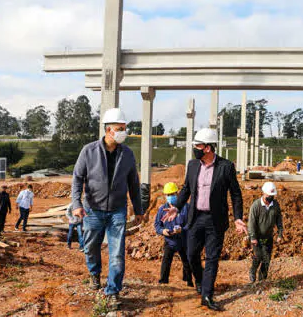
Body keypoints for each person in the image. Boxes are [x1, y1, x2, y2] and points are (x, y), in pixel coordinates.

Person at [163, 128, 247, 312]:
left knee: (212, 258)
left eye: (198, 145)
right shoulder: (193, 165)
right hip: (196, 218)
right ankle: (200, 281)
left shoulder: (225, 167)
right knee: (192, 254)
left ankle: (207, 295)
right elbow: (186, 189)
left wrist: (238, 218)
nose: (195, 148)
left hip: (215, 220)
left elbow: (236, 194)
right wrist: (176, 207)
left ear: (208, 148)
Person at [71, 108, 146, 310]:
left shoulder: (128, 154)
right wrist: (76, 204)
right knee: (91, 248)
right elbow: (77, 178)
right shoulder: (89, 151)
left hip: (117, 211)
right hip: (93, 210)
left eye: (124, 128)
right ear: (108, 129)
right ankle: (94, 274)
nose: (123, 132)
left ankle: (113, 291)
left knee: (117, 254)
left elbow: (134, 184)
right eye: (119, 128)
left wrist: (138, 210)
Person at [154, 182, 193, 287]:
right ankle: (163, 281)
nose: (171, 196)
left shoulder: (186, 207)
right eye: (168, 194)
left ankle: (188, 281)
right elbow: (157, 225)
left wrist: (182, 229)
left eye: (173, 194)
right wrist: (163, 231)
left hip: (183, 240)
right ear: (165, 196)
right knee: (166, 260)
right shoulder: (162, 209)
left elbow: (191, 223)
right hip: (169, 240)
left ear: (177, 193)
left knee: (187, 261)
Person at [248, 182, 284, 283]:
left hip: (268, 236)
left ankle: (262, 280)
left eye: (272, 196)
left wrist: (280, 234)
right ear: (263, 193)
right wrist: (253, 237)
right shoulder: (256, 206)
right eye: (269, 196)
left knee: (267, 259)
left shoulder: (275, 205)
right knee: (259, 255)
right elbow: (251, 223)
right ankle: (252, 270)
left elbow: (279, 221)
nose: (270, 198)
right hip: (257, 237)